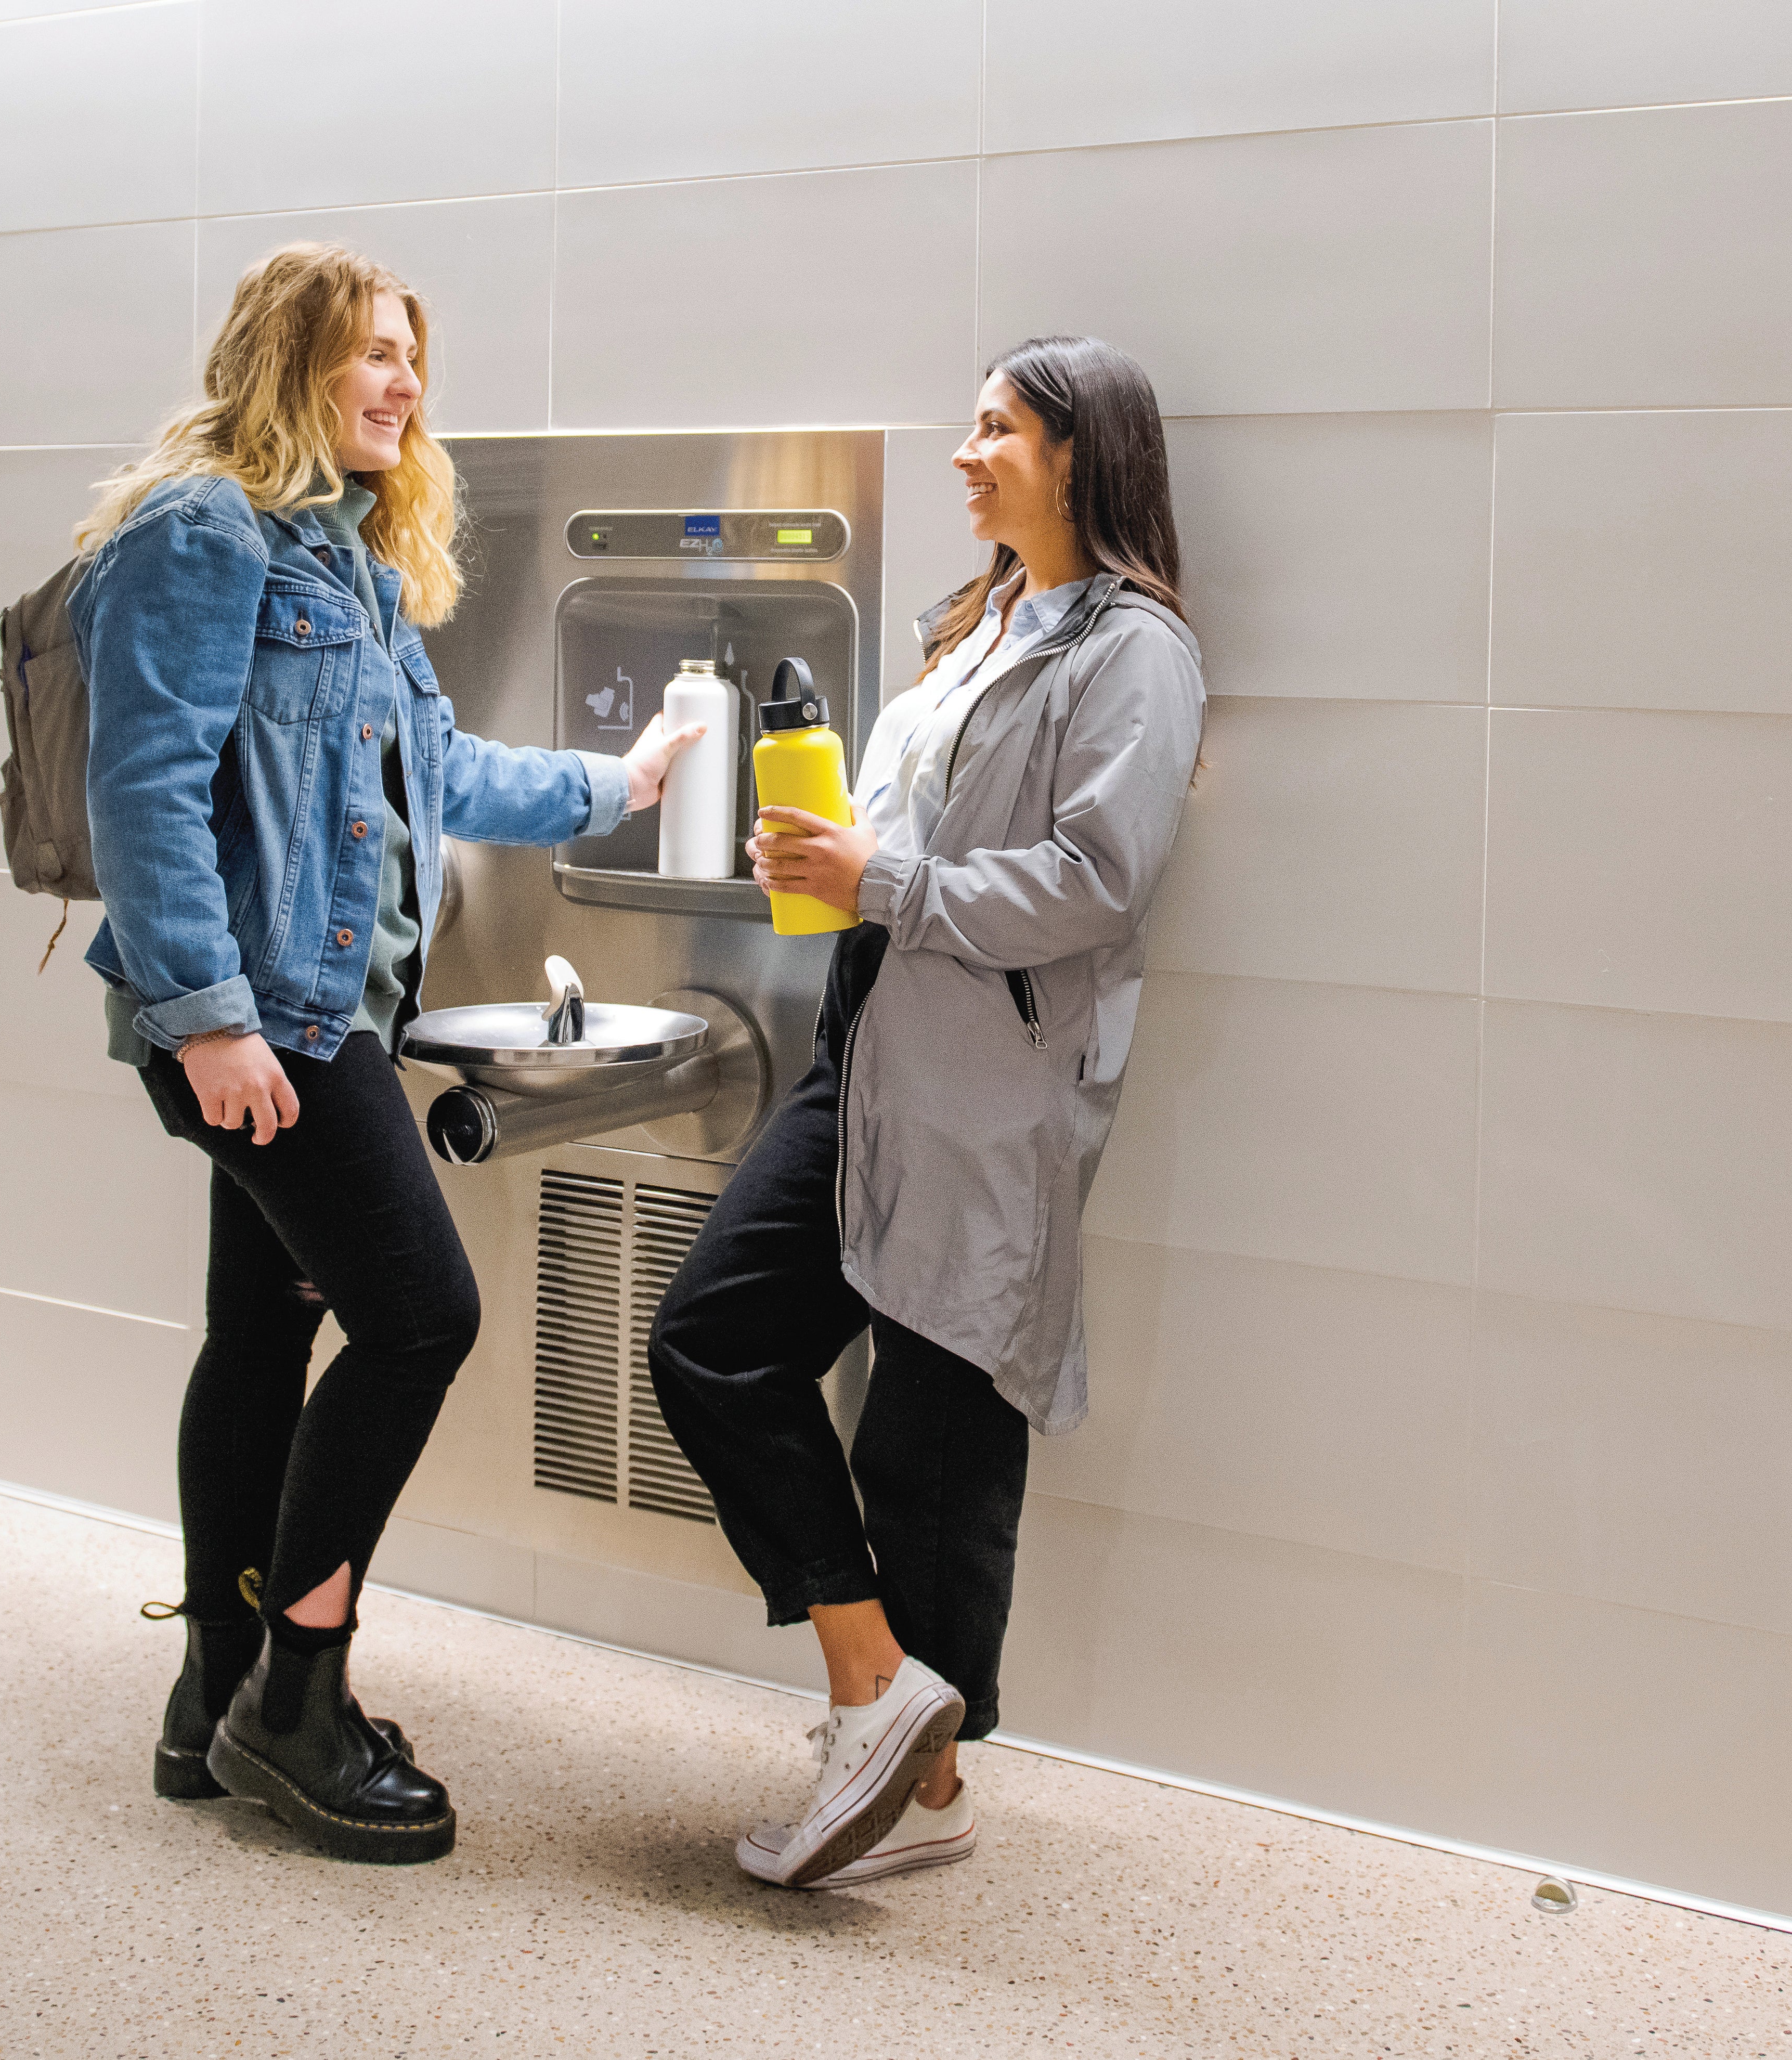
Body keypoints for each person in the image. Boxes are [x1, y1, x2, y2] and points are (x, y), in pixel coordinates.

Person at [72, 243, 688, 1864]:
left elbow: (439, 765)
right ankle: (300, 1695)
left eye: (414, 358)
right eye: (370, 357)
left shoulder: (340, 557)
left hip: (316, 1007)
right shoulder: (202, 531)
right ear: (291, 362)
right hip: (264, 1014)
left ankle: (216, 1687)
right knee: (422, 1317)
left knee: (263, 1331)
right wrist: (205, 1021)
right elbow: (141, 787)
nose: (404, 385)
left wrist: (615, 785)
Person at [647, 335, 1207, 1890]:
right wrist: (833, 855)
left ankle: (930, 1779)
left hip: (988, 1093)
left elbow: (1098, 886)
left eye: (997, 431)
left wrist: (877, 877)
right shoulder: (975, 625)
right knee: (711, 1339)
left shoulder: (1135, 653)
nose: (967, 456)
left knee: (932, 1443)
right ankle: (873, 1685)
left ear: (1083, 452)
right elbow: (915, 828)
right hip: (870, 1048)